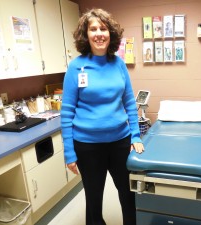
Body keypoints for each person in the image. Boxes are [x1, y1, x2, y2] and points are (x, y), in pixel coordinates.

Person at [61, 8, 144, 225]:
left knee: (128, 194)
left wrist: (135, 136)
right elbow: (67, 112)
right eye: (93, 29)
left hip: (120, 142)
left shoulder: (118, 64)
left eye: (103, 28)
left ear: (111, 34)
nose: (99, 33)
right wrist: (69, 152)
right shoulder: (76, 67)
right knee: (94, 198)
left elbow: (129, 103)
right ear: (85, 35)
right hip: (87, 146)